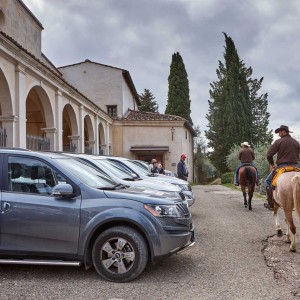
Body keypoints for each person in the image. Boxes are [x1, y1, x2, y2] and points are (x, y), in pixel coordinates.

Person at [265, 125, 300, 209]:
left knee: (268, 181)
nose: (278, 134)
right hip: (295, 166)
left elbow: (269, 154)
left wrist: (272, 164)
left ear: (284, 131)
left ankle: (271, 203)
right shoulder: (296, 142)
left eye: (279, 132)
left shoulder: (278, 142)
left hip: (282, 166)